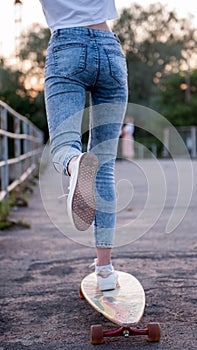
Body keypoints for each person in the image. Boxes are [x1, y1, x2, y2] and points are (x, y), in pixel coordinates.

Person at [39, 0, 128, 291]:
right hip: (110, 47)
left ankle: (75, 163)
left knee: (64, 146)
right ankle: (105, 271)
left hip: (66, 46)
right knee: (104, 168)